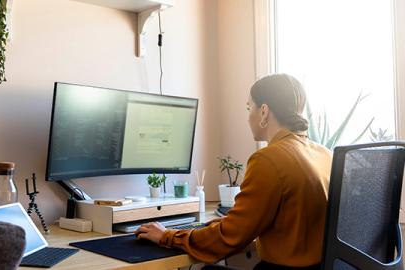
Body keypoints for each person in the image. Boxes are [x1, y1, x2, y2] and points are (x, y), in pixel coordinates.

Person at [134, 74, 332, 270]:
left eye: (249, 108)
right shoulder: (324, 154)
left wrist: (167, 236)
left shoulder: (268, 159)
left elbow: (229, 236)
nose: (248, 117)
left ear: (264, 112)